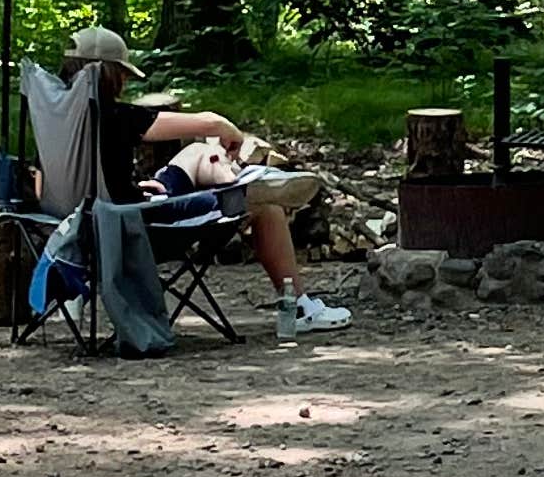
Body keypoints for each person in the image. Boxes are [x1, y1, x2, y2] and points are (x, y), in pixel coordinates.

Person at [59, 24, 348, 336]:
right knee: (266, 209)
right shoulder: (114, 116)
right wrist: (230, 130)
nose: (126, 81)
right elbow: (210, 122)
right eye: (123, 74)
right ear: (108, 74)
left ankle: (237, 181)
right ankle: (298, 303)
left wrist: (124, 189)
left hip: (82, 224)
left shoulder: (58, 119)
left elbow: (46, 185)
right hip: (136, 227)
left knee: (197, 152)